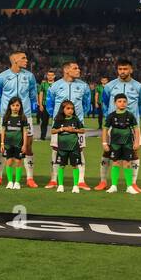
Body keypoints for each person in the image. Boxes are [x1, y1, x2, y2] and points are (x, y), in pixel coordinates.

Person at [96, 59, 141, 192]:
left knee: (134, 152)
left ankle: (133, 183)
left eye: (125, 69)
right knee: (107, 151)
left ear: (131, 70)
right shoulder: (109, 86)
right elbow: (106, 102)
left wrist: (134, 118)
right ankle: (103, 181)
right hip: (113, 126)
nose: (122, 71)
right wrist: (109, 117)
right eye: (120, 69)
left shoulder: (139, 86)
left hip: (131, 126)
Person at [0, 52, 39, 188]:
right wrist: (5, 109)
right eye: (23, 58)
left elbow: (32, 94)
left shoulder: (29, 76)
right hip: (7, 117)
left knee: (28, 146)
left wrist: (27, 109)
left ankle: (30, 178)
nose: (26, 60)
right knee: (3, 146)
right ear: (15, 60)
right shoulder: (3, 76)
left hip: (26, 115)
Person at [44, 62, 92, 190]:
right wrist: (57, 118)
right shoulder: (55, 86)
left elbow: (87, 103)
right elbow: (49, 104)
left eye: (78, 67)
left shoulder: (84, 86)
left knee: (80, 150)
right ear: (66, 70)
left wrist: (79, 118)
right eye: (75, 68)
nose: (78, 70)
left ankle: (81, 181)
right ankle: (54, 179)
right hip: (59, 124)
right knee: (55, 150)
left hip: (77, 124)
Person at [102, 94, 141, 194]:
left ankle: (129, 186)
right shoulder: (111, 116)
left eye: (124, 101)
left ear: (127, 103)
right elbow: (105, 130)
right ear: (115, 103)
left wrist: (136, 142)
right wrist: (104, 143)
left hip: (127, 143)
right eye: (119, 101)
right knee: (115, 163)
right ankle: (114, 185)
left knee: (127, 163)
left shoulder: (130, 115)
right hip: (115, 144)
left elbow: (136, 129)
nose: (122, 103)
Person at [51, 100, 85, 193]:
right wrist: (63, 129)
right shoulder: (58, 120)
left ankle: (75, 186)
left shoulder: (75, 119)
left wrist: (74, 130)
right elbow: (52, 131)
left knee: (75, 166)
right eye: (68, 108)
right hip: (62, 148)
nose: (70, 110)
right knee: (61, 166)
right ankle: (60, 185)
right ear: (63, 109)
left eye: (72, 109)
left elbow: (82, 130)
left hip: (74, 147)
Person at [0, 96, 30, 190]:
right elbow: (3, 131)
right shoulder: (6, 117)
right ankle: (10, 182)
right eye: (13, 105)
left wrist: (24, 145)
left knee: (18, 162)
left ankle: (17, 182)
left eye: (17, 105)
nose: (15, 107)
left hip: (19, 144)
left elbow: (25, 132)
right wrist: (2, 143)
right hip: (8, 144)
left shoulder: (23, 118)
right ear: (10, 106)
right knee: (8, 162)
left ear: (20, 106)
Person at [37, 69, 55, 139]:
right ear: (47, 76)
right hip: (45, 105)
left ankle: (55, 137)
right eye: (49, 75)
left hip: (54, 105)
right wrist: (40, 104)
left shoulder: (57, 84)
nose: (50, 77)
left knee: (56, 121)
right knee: (44, 122)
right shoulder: (43, 84)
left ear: (54, 76)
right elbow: (41, 94)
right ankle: (42, 136)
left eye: (51, 75)